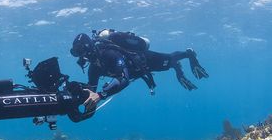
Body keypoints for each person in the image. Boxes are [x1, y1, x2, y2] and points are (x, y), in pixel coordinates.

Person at [70, 29, 209, 109]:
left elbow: (123, 79)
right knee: (170, 63)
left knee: (170, 59)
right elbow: (91, 90)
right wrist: (74, 96)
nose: (81, 56)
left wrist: (101, 95)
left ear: (88, 47)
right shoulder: (94, 68)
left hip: (145, 61)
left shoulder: (109, 54)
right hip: (135, 71)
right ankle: (177, 68)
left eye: (80, 51)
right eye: (76, 53)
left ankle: (189, 54)